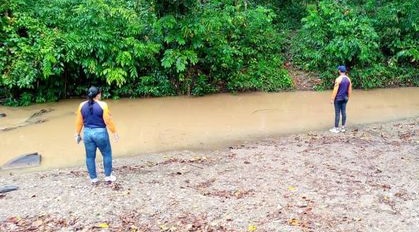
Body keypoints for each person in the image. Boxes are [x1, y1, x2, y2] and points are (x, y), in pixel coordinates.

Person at [75, 86, 119, 184]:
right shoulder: (103, 105)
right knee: (107, 154)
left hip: (87, 133)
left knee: (90, 157)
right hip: (100, 133)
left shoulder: (82, 105)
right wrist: (114, 132)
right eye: (100, 93)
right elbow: (108, 120)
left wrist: (77, 134)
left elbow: (79, 121)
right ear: (98, 95)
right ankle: (108, 177)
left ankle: (94, 179)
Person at [330, 65, 352, 133]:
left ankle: (336, 128)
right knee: (344, 112)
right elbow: (349, 90)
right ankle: (343, 128)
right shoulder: (348, 79)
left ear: (339, 71)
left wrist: (332, 98)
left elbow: (335, 90)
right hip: (345, 98)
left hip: (338, 98)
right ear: (345, 71)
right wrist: (348, 97)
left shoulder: (338, 79)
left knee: (337, 113)